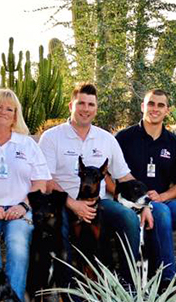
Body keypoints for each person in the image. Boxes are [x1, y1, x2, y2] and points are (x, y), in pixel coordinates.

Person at [38, 82, 153, 274]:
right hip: (62, 203)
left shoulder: (106, 139)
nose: (86, 109)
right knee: (59, 227)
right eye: (81, 103)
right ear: (71, 106)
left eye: (91, 104)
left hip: (98, 203)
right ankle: (71, 296)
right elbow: (46, 181)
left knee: (128, 218)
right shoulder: (51, 137)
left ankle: (128, 281)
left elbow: (124, 177)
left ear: (96, 108)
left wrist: (145, 205)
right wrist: (73, 204)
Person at [115, 89, 176, 300]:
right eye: (151, 104)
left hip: (162, 198)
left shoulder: (175, 144)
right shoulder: (124, 138)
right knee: (162, 213)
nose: (155, 109)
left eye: (160, 105)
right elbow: (110, 175)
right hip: (134, 204)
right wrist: (131, 199)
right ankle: (166, 280)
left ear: (167, 111)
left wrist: (162, 196)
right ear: (142, 106)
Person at [0, 89, 50, 302]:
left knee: (18, 243)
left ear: (16, 115)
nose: (3, 112)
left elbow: (40, 181)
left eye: (9, 109)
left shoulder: (27, 144)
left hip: (20, 208)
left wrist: (23, 206)